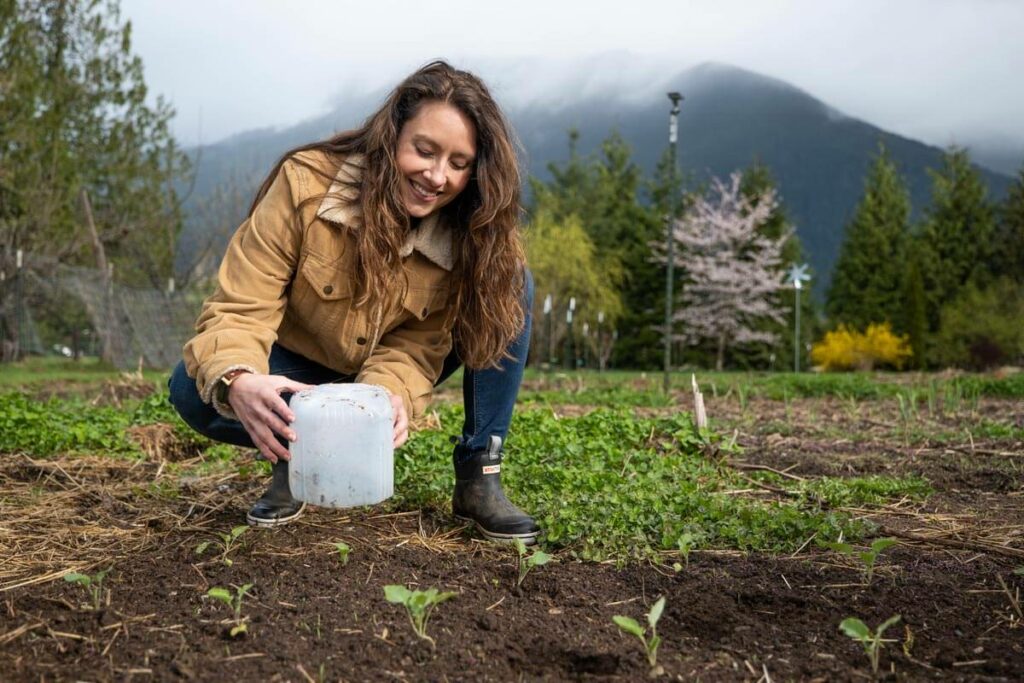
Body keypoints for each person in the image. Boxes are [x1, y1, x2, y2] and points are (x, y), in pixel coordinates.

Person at [168, 61, 539, 544]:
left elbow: (416, 343)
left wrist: (389, 394)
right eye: (424, 151)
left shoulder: (465, 230)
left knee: (509, 277)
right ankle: (293, 454)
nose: (437, 176)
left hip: (370, 381)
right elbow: (242, 304)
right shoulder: (304, 184)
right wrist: (239, 377)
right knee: (191, 389)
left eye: (459, 163)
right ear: (391, 137)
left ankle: (479, 477)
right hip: (295, 374)